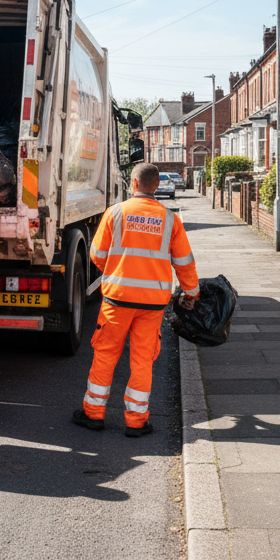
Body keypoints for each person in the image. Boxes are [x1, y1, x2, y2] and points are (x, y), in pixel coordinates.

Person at [74, 163, 200, 437]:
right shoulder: (170, 220)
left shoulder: (116, 212)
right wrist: (192, 292)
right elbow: (184, 263)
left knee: (105, 355)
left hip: (117, 300)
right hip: (152, 303)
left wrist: (119, 265)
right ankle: (136, 421)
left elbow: (97, 255)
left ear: (133, 184)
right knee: (142, 360)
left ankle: (94, 414)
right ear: (156, 186)